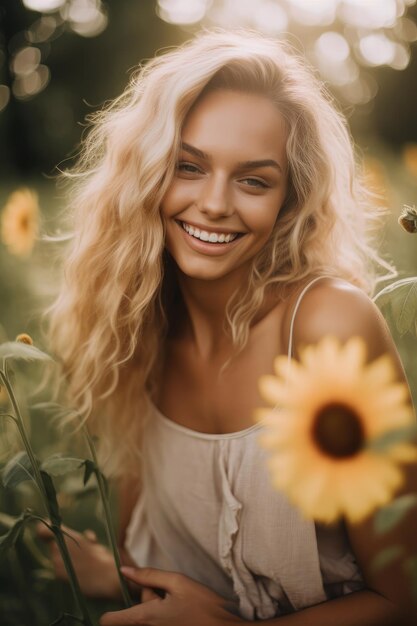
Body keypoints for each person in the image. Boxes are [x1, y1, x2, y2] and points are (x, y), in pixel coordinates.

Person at [38, 29, 417, 625]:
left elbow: (405, 600)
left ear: (290, 200)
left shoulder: (329, 326)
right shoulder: (133, 337)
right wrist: (117, 576)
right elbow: (170, 575)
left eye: (253, 179)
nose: (215, 203)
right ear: (146, 173)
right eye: (188, 166)